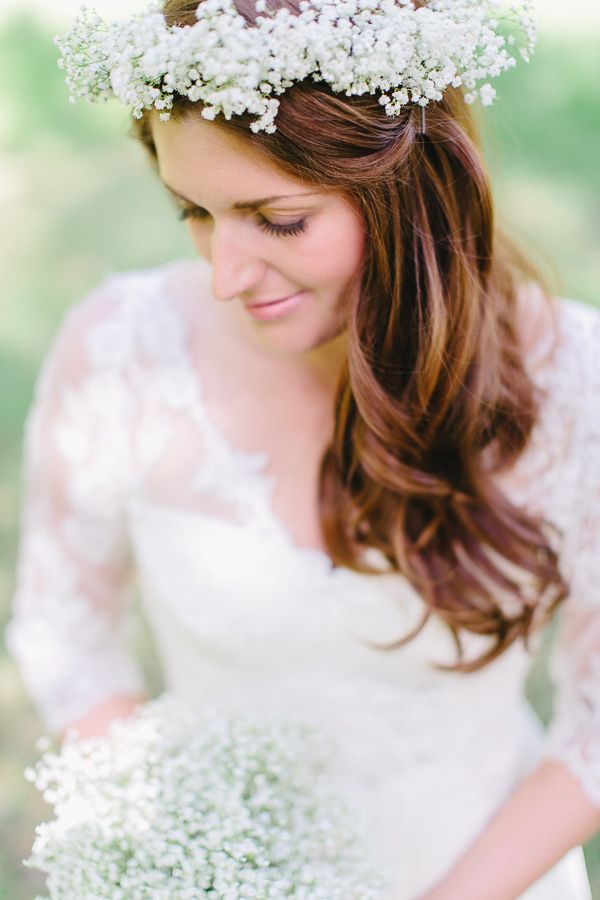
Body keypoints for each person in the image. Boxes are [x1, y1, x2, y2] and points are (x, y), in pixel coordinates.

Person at [5, 1, 600, 897]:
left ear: (408, 187)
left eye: (277, 219)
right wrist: (176, 843)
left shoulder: (573, 385)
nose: (225, 275)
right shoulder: (120, 351)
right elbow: (67, 630)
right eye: (193, 212)